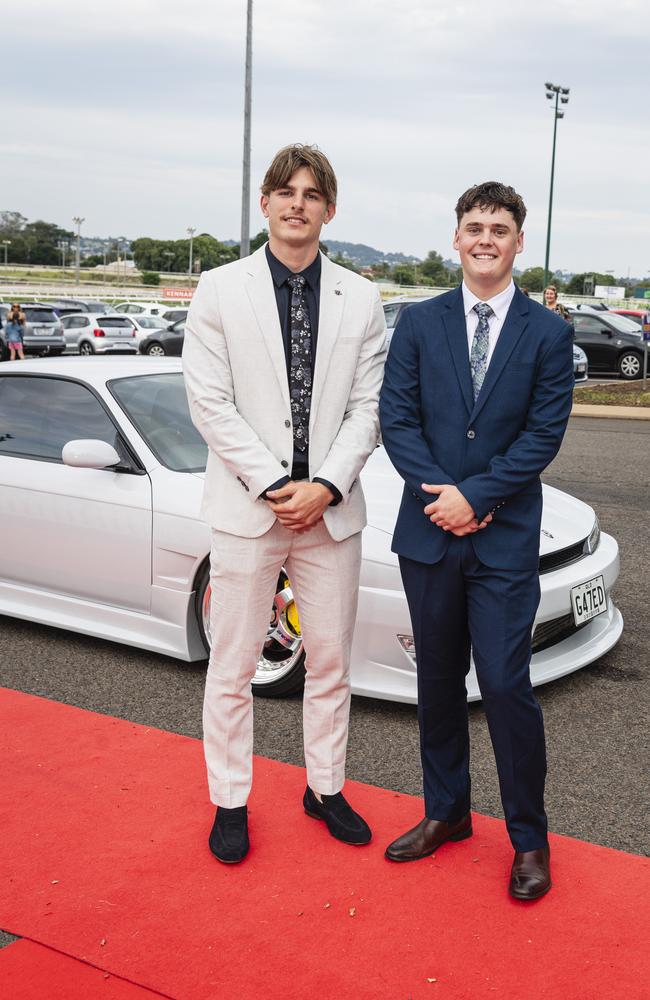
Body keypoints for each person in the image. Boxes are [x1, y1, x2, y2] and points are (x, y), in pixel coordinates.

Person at [183, 144, 386, 864]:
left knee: (330, 662)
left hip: (330, 515)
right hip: (247, 512)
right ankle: (230, 800)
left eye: (312, 193)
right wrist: (274, 486)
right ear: (264, 203)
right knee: (232, 665)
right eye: (285, 191)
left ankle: (325, 786)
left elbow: (369, 409)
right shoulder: (218, 288)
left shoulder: (361, 298)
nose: (297, 203)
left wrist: (325, 486)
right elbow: (209, 403)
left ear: (330, 210)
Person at [379, 182, 574, 900]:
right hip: (429, 536)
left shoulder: (548, 333)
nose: (485, 238)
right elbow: (397, 420)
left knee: (503, 685)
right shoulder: (419, 323)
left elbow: (542, 435)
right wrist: (444, 500)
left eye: (500, 228)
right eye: (474, 227)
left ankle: (529, 840)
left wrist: (478, 497)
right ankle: (447, 813)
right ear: (455, 239)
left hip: (502, 541)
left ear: (519, 241)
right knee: (435, 685)